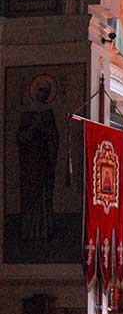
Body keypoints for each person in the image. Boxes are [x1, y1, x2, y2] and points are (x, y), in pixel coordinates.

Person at [16, 75, 59, 243]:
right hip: (30, 162)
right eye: (41, 91)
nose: (43, 95)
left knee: (44, 196)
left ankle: (43, 230)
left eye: (46, 92)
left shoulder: (48, 114)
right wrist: (34, 128)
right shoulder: (27, 114)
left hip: (44, 160)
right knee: (30, 196)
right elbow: (20, 137)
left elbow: (55, 137)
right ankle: (29, 231)